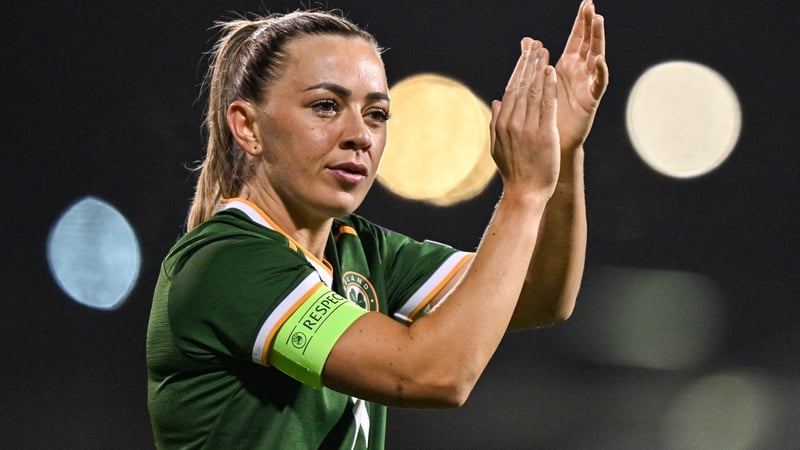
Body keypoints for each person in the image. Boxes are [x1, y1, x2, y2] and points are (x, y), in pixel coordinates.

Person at [146, 1, 608, 448]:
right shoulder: (226, 261)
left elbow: (536, 294)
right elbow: (433, 374)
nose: (360, 135)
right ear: (248, 127)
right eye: (326, 105)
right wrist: (523, 193)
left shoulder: (360, 250)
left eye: (377, 114)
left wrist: (564, 154)